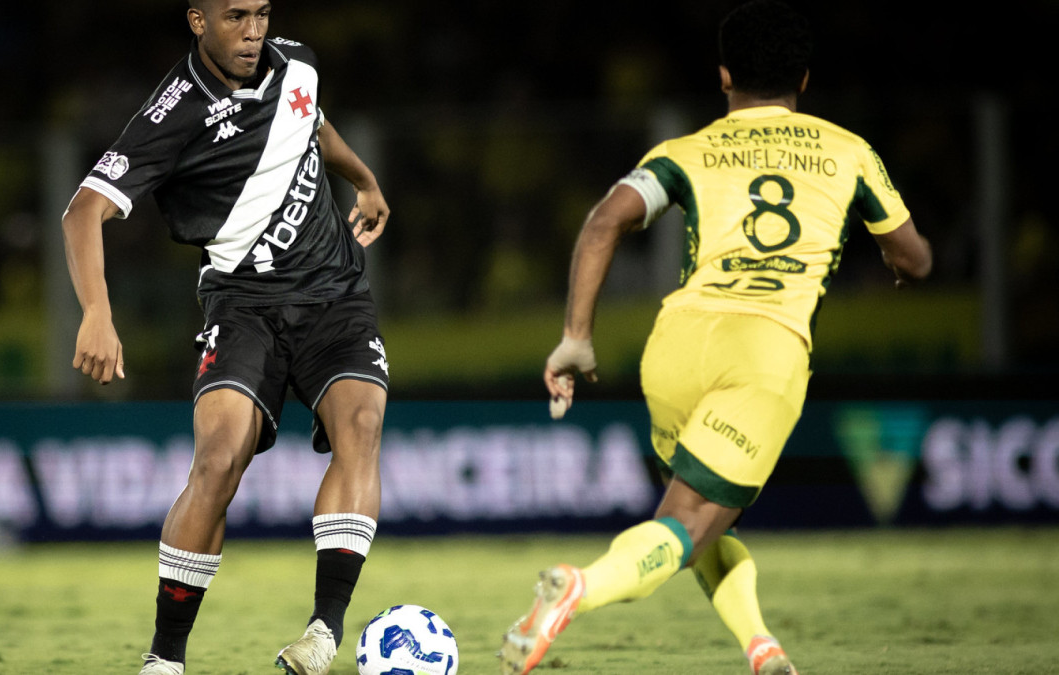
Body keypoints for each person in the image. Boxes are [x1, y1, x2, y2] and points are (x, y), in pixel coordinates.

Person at [498, 1, 932, 674]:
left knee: (696, 518)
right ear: (806, 81)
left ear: (724, 76)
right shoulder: (850, 152)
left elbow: (604, 221)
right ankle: (578, 588)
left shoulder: (684, 152)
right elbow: (914, 257)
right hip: (766, 351)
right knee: (689, 526)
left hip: (677, 345)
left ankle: (763, 650)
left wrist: (576, 337)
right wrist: (893, 259)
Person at [61, 1, 391, 674]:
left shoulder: (297, 60)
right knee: (218, 459)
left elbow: (313, 120)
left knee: (360, 424)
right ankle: (165, 658)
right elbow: (82, 211)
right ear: (197, 21)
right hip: (242, 305)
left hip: (335, 296)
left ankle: (323, 633)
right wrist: (96, 311)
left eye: (263, 14)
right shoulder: (173, 109)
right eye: (236, 16)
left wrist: (362, 178)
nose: (253, 31)